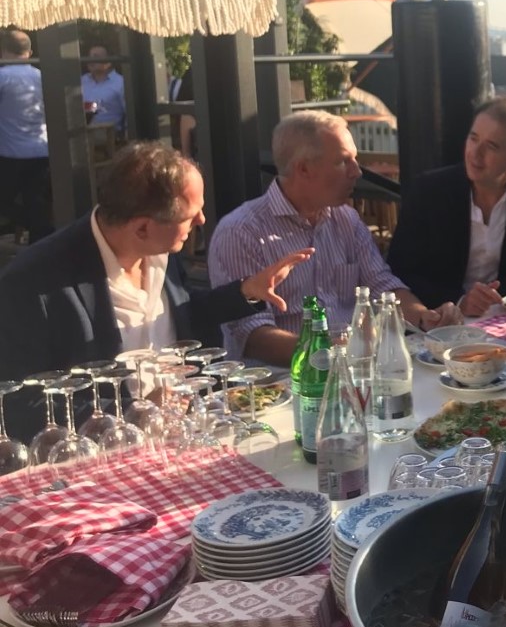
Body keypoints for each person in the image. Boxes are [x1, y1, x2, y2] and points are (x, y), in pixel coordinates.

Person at [0, 142, 312, 443]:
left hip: (190, 431)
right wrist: (134, 411)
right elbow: (18, 405)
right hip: (107, 454)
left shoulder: (159, 247)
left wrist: (246, 292)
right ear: (142, 228)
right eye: (190, 216)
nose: (202, 220)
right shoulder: (32, 282)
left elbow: (179, 314)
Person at [208, 111, 459, 365]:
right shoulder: (240, 232)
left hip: (355, 368)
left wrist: (424, 317)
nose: (357, 171)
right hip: (283, 379)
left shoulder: (346, 219)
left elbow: (382, 285)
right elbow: (252, 337)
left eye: (355, 160)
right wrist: (329, 350)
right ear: (304, 169)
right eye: (343, 161)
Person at [388, 96, 506, 316]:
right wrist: (460, 301)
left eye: (491, 146)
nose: (476, 153)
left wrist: (497, 296)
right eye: (473, 138)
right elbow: (400, 270)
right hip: (441, 318)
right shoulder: (429, 191)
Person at [0, 27, 52, 241]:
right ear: (29, 53)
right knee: (36, 201)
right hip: (42, 149)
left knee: (4, 201)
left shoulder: (3, 77)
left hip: (10, 154)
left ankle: (43, 228)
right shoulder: (43, 77)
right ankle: (42, 236)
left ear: (3, 51)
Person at [81, 43, 127, 133]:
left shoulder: (120, 83)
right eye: (89, 57)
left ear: (108, 62)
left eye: (96, 57)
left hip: (111, 137)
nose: (90, 60)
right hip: (81, 136)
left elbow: (130, 115)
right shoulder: (81, 81)